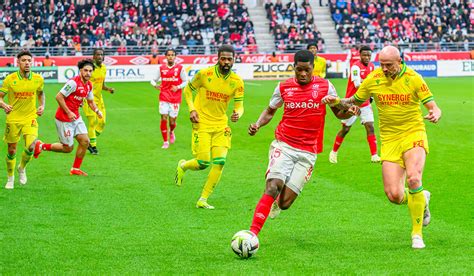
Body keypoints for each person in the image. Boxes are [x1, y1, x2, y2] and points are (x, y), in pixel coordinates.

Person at [335, 45, 442, 249]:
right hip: (390, 139)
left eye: (388, 65)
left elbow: (433, 106)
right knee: (394, 195)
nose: (384, 69)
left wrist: (436, 113)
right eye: (382, 64)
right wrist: (336, 101)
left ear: (399, 62)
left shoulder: (414, 78)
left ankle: (416, 234)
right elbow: (353, 101)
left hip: (413, 133)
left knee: (413, 178)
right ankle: (421, 198)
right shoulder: (373, 79)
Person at [246, 50, 359, 237]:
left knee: (284, 203)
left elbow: (339, 112)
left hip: (308, 152)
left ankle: (276, 203)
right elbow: (270, 110)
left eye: (307, 70)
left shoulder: (325, 86)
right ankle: (252, 234)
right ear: (294, 68)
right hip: (284, 145)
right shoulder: (283, 87)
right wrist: (257, 124)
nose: (303, 74)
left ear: (314, 68)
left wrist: (351, 111)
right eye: (299, 70)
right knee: (273, 185)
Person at [175, 45, 244, 209]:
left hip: (221, 125)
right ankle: (183, 166)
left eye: (229, 59)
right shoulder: (204, 74)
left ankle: (203, 199)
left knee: (220, 162)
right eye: (223, 58)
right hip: (202, 123)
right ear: (218, 58)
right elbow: (188, 90)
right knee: (203, 163)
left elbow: (240, 106)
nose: (226, 62)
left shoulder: (237, 82)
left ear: (234, 60)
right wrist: (192, 109)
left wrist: (237, 114)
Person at [34, 59, 103, 176]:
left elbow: (90, 101)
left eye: (90, 71)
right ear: (80, 70)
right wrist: (69, 112)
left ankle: (75, 169)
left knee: (85, 141)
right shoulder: (73, 83)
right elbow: (59, 97)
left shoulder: (89, 85)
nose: (88, 73)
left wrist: (97, 110)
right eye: (86, 70)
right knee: (68, 148)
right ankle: (41, 146)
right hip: (63, 119)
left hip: (76, 117)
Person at [0, 50, 45, 189]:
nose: (27, 63)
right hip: (13, 118)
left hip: (30, 117)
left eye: (29, 60)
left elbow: (41, 93)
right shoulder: (10, 79)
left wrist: (42, 105)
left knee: (31, 145)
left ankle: (22, 168)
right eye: (24, 60)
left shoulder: (38, 79)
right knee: (12, 150)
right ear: (18, 62)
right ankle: (10, 177)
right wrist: (4, 104)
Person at [329, 45, 380, 163]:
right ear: (360, 55)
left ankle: (374, 155)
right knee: (345, 129)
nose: (367, 57)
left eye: (369, 55)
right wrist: (370, 87)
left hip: (365, 103)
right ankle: (334, 152)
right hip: (351, 103)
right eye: (364, 55)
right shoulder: (355, 67)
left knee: (370, 127)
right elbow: (357, 84)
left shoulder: (372, 66)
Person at [151, 49, 188, 149]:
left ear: (175, 57)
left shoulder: (180, 68)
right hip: (164, 96)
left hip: (175, 98)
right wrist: (155, 85)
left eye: (172, 55)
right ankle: (165, 141)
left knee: (172, 121)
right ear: (165, 57)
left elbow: (185, 81)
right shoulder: (161, 68)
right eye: (169, 55)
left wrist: (178, 87)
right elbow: (152, 80)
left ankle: (171, 131)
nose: (170, 57)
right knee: (163, 118)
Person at [82, 48, 114, 155]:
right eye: (97, 55)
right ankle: (93, 147)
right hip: (88, 99)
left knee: (102, 122)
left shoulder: (104, 68)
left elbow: (102, 85)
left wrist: (108, 89)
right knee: (93, 122)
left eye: (101, 54)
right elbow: (82, 83)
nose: (100, 56)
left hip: (99, 99)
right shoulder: (89, 69)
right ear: (94, 57)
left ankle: (90, 139)